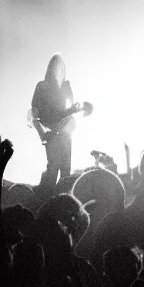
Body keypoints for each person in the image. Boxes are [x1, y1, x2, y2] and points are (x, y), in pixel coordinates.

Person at [30, 54, 92, 189]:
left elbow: (73, 105)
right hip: (50, 132)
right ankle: (49, 197)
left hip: (62, 130)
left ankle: (63, 196)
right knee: (53, 168)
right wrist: (42, 133)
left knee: (65, 170)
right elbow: (34, 115)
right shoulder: (41, 86)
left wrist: (84, 108)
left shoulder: (65, 86)